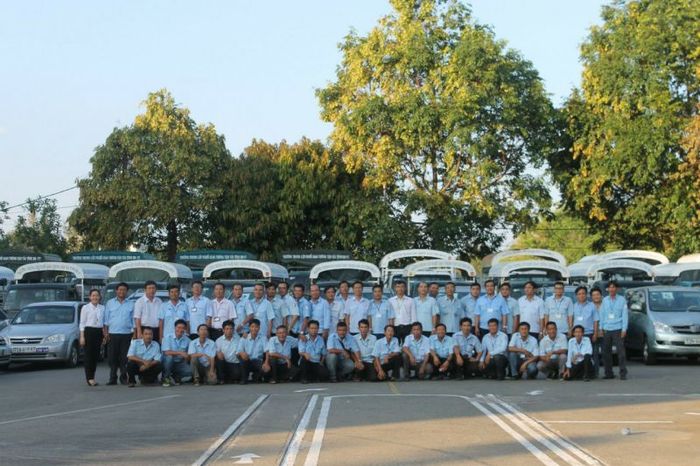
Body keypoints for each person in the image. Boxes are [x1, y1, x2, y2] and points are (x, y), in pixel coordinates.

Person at [103, 282, 134, 385]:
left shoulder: (131, 304)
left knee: (124, 357)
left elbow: (133, 320)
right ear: (116, 291)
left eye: (124, 290)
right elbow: (106, 320)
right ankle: (112, 378)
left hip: (126, 334)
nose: (122, 291)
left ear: (127, 291)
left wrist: (134, 334)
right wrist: (106, 333)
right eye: (120, 290)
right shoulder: (110, 303)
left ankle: (123, 377)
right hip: (112, 334)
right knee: (112, 357)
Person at [600, 280, 628, 380]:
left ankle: (623, 373)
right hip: (607, 328)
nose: (612, 289)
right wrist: (601, 328)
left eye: (613, 287)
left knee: (621, 352)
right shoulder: (605, 300)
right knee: (606, 352)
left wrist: (624, 329)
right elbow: (602, 314)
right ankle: (608, 373)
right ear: (608, 289)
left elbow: (625, 315)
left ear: (617, 289)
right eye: (610, 287)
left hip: (618, 328)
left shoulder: (622, 300)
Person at [573, 286, 600, 376]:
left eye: (583, 293)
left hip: (589, 333)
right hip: (577, 335)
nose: (581, 295)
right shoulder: (574, 306)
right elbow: (571, 319)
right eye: (579, 294)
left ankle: (595, 373)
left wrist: (595, 333)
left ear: (586, 295)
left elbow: (596, 320)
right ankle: (580, 373)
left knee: (592, 354)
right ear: (576, 296)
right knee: (578, 354)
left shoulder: (592, 306)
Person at [80, 289, 105, 387]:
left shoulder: (102, 308)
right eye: (93, 295)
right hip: (89, 332)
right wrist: (82, 336)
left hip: (98, 332)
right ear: (90, 297)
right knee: (88, 356)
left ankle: (92, 377)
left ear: (99, 297)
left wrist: (104, 335)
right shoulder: (85, 308)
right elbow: (82, 323)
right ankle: (89, 378)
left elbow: (104, 322)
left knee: (95, 356)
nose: (95, 297)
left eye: (97, 295)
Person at [161, 319, 192, 386]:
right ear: (175, 328)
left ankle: (176, 376)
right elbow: (166, 352)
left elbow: (189, 354)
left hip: (180, 362)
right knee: (169, 358)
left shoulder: (188, 340)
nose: (180, 330)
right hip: (168, 362)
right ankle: (165, 377)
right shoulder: (167, 337)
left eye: (183, 328)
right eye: (178, 327)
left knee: (191, 371)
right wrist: (180, 353)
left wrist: (187, 357)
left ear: (185, 329)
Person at [237, 319, 267, 384]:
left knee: (266, 370)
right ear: (249, 327)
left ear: (259, 328)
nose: (254, 329)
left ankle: (256, 376)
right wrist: (242, 353)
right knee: (242, 358)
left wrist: (266, 362)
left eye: (256, 327)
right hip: (247, 360)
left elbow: (267, 351)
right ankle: (244, 378)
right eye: (252, 327)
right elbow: (238, 351)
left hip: (258, 361)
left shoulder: (263, 338)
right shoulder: (244, 337)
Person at [590, 287, 604, 375]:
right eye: (594, 295)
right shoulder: (589, 306)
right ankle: (595, 372)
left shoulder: (605, 305)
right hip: (593, 332)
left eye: (597, 294)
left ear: (601, 296)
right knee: (594, 353)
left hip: (604, 332)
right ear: (591, 297)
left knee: (605, 353)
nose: (596, 297)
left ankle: (608, 372)